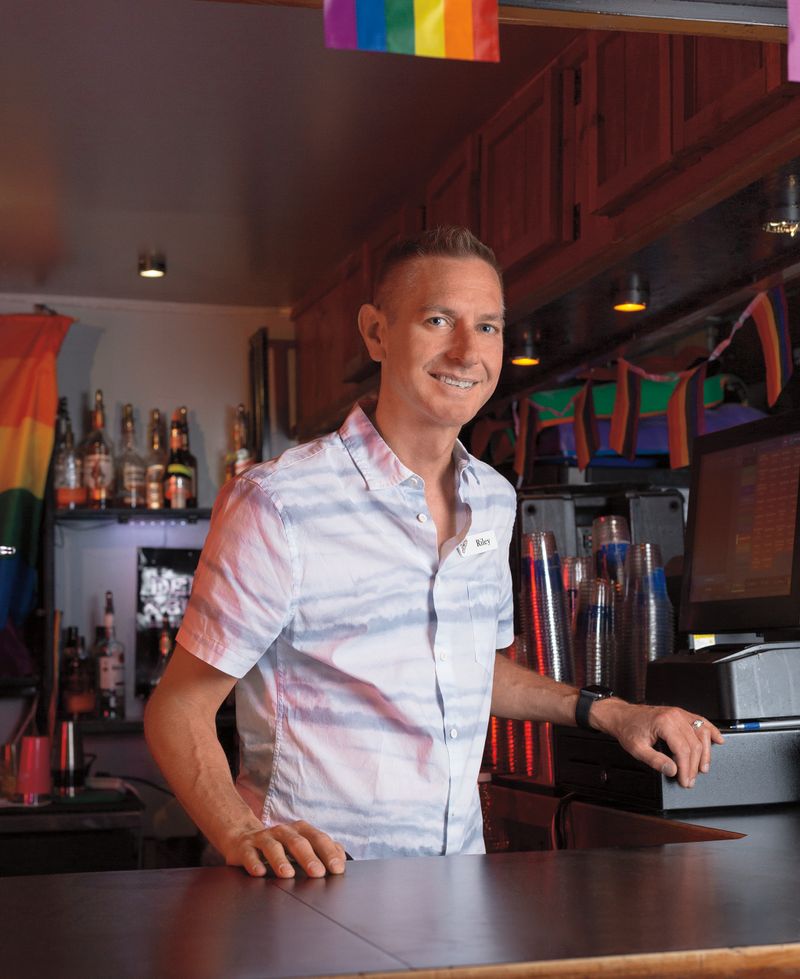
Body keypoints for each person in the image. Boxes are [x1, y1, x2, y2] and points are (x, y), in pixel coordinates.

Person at [145, 226, 723, 880]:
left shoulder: (494, 498)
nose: (465, 350)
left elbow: (475, 670)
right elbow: (179, 707)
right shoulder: (279, 503)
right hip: (314, 894)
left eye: (488, 326)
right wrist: (240, 831)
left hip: (453, 891)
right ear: (376, 332)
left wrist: (614, 712)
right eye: (438, 319)